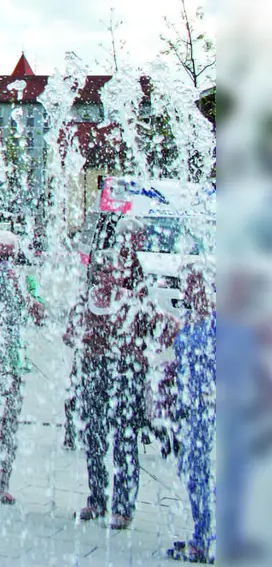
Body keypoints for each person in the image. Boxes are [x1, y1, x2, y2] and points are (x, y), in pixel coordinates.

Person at [64, 217, 178, 530]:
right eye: (101, 270)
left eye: (136, 237)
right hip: (94, 370)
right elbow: (70, 332)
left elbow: (161, 320)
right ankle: (97, 498)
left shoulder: (136, 279)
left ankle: (123, 506)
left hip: (125, 370)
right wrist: (83, 340)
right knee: (95, 435)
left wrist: (146, 350)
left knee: (124, 437)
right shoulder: (90, 296)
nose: (107, 274)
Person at [0, 228, 46, 505]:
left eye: (10, 255)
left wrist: (26, 296)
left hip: (14, 363)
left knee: (8, 426)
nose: (6, 261)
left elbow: (40, 311)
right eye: (0, 255)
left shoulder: (25, 278)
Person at [167, 262, 215, 564]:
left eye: (192, 283)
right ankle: (202, 534)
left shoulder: (219, 321)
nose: (186, 289)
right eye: (184, 283)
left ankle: (209, 541)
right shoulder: (188, 319)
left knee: (206, 472)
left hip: (212, 407)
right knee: (192, 470)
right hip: (188, 405)